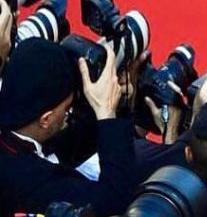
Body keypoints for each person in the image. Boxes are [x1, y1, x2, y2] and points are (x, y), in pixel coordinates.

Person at [0, 39, 136, 216]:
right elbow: (113, 201)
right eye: (67, 109)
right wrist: (106, 112)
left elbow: (69, 144)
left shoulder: (15, 129)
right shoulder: (26, 179)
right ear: (45, 119)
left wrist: (117, 103)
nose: (68, 115)